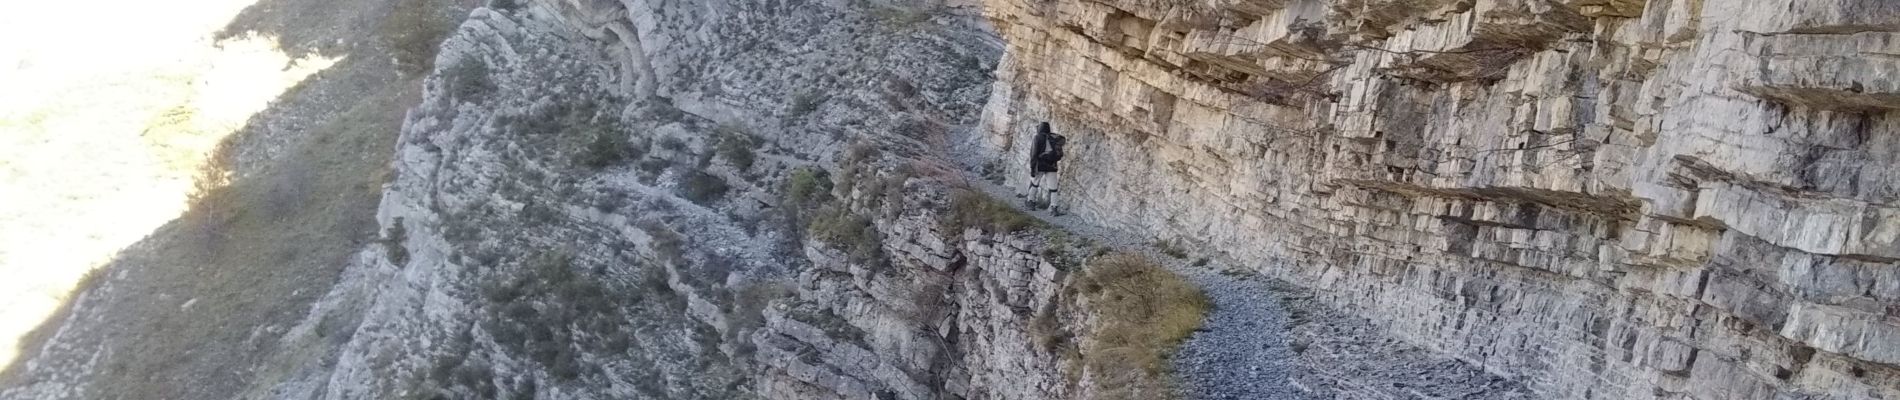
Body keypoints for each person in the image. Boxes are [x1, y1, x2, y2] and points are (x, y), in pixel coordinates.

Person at [1026, 122, 1066, 215]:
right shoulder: (1054, 139)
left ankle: (1030, 202)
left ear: (1040, 128)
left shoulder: (1037, 137)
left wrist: (1032, 168)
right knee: (1053, 188)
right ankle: (1054, 208)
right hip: (1052, 165)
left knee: (1035, 183)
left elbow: (1033, 154)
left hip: (1040, 165)